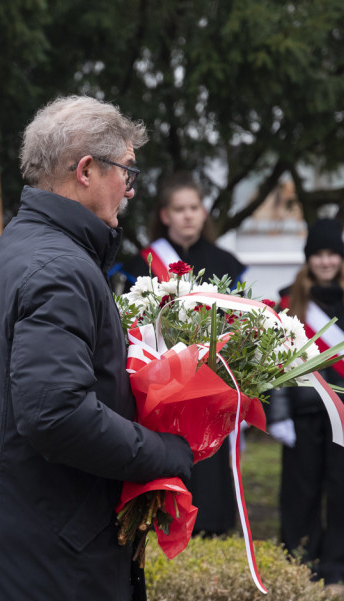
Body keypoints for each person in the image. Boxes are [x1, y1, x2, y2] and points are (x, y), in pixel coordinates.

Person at [0, 95, 194, 601]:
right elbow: (56, 413)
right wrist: (166, 454)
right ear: (86, 170)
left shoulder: (20, 248)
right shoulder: (59, 267)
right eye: (126, 171)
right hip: (46, 574)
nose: (130, 188)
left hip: (27, 564)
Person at [120, 171, 247, 536]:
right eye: (180, 209)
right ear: (165, 215)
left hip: (211, 385)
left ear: (204, 212)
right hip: (162, 387)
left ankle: (214, 531)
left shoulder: (226, 263)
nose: (188, 215)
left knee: (212, 466)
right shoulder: (138, 266)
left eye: (194, 207)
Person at [266, 218, 344, 589]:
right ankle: (300, 570)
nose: (325, 262)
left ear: (341, 257)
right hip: (303, 415)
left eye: (332, 254)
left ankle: (342, 573)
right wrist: (279, 415)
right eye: (318, 254)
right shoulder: (289, 301)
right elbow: (275, 362)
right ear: (308, 259)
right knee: (299, 496)